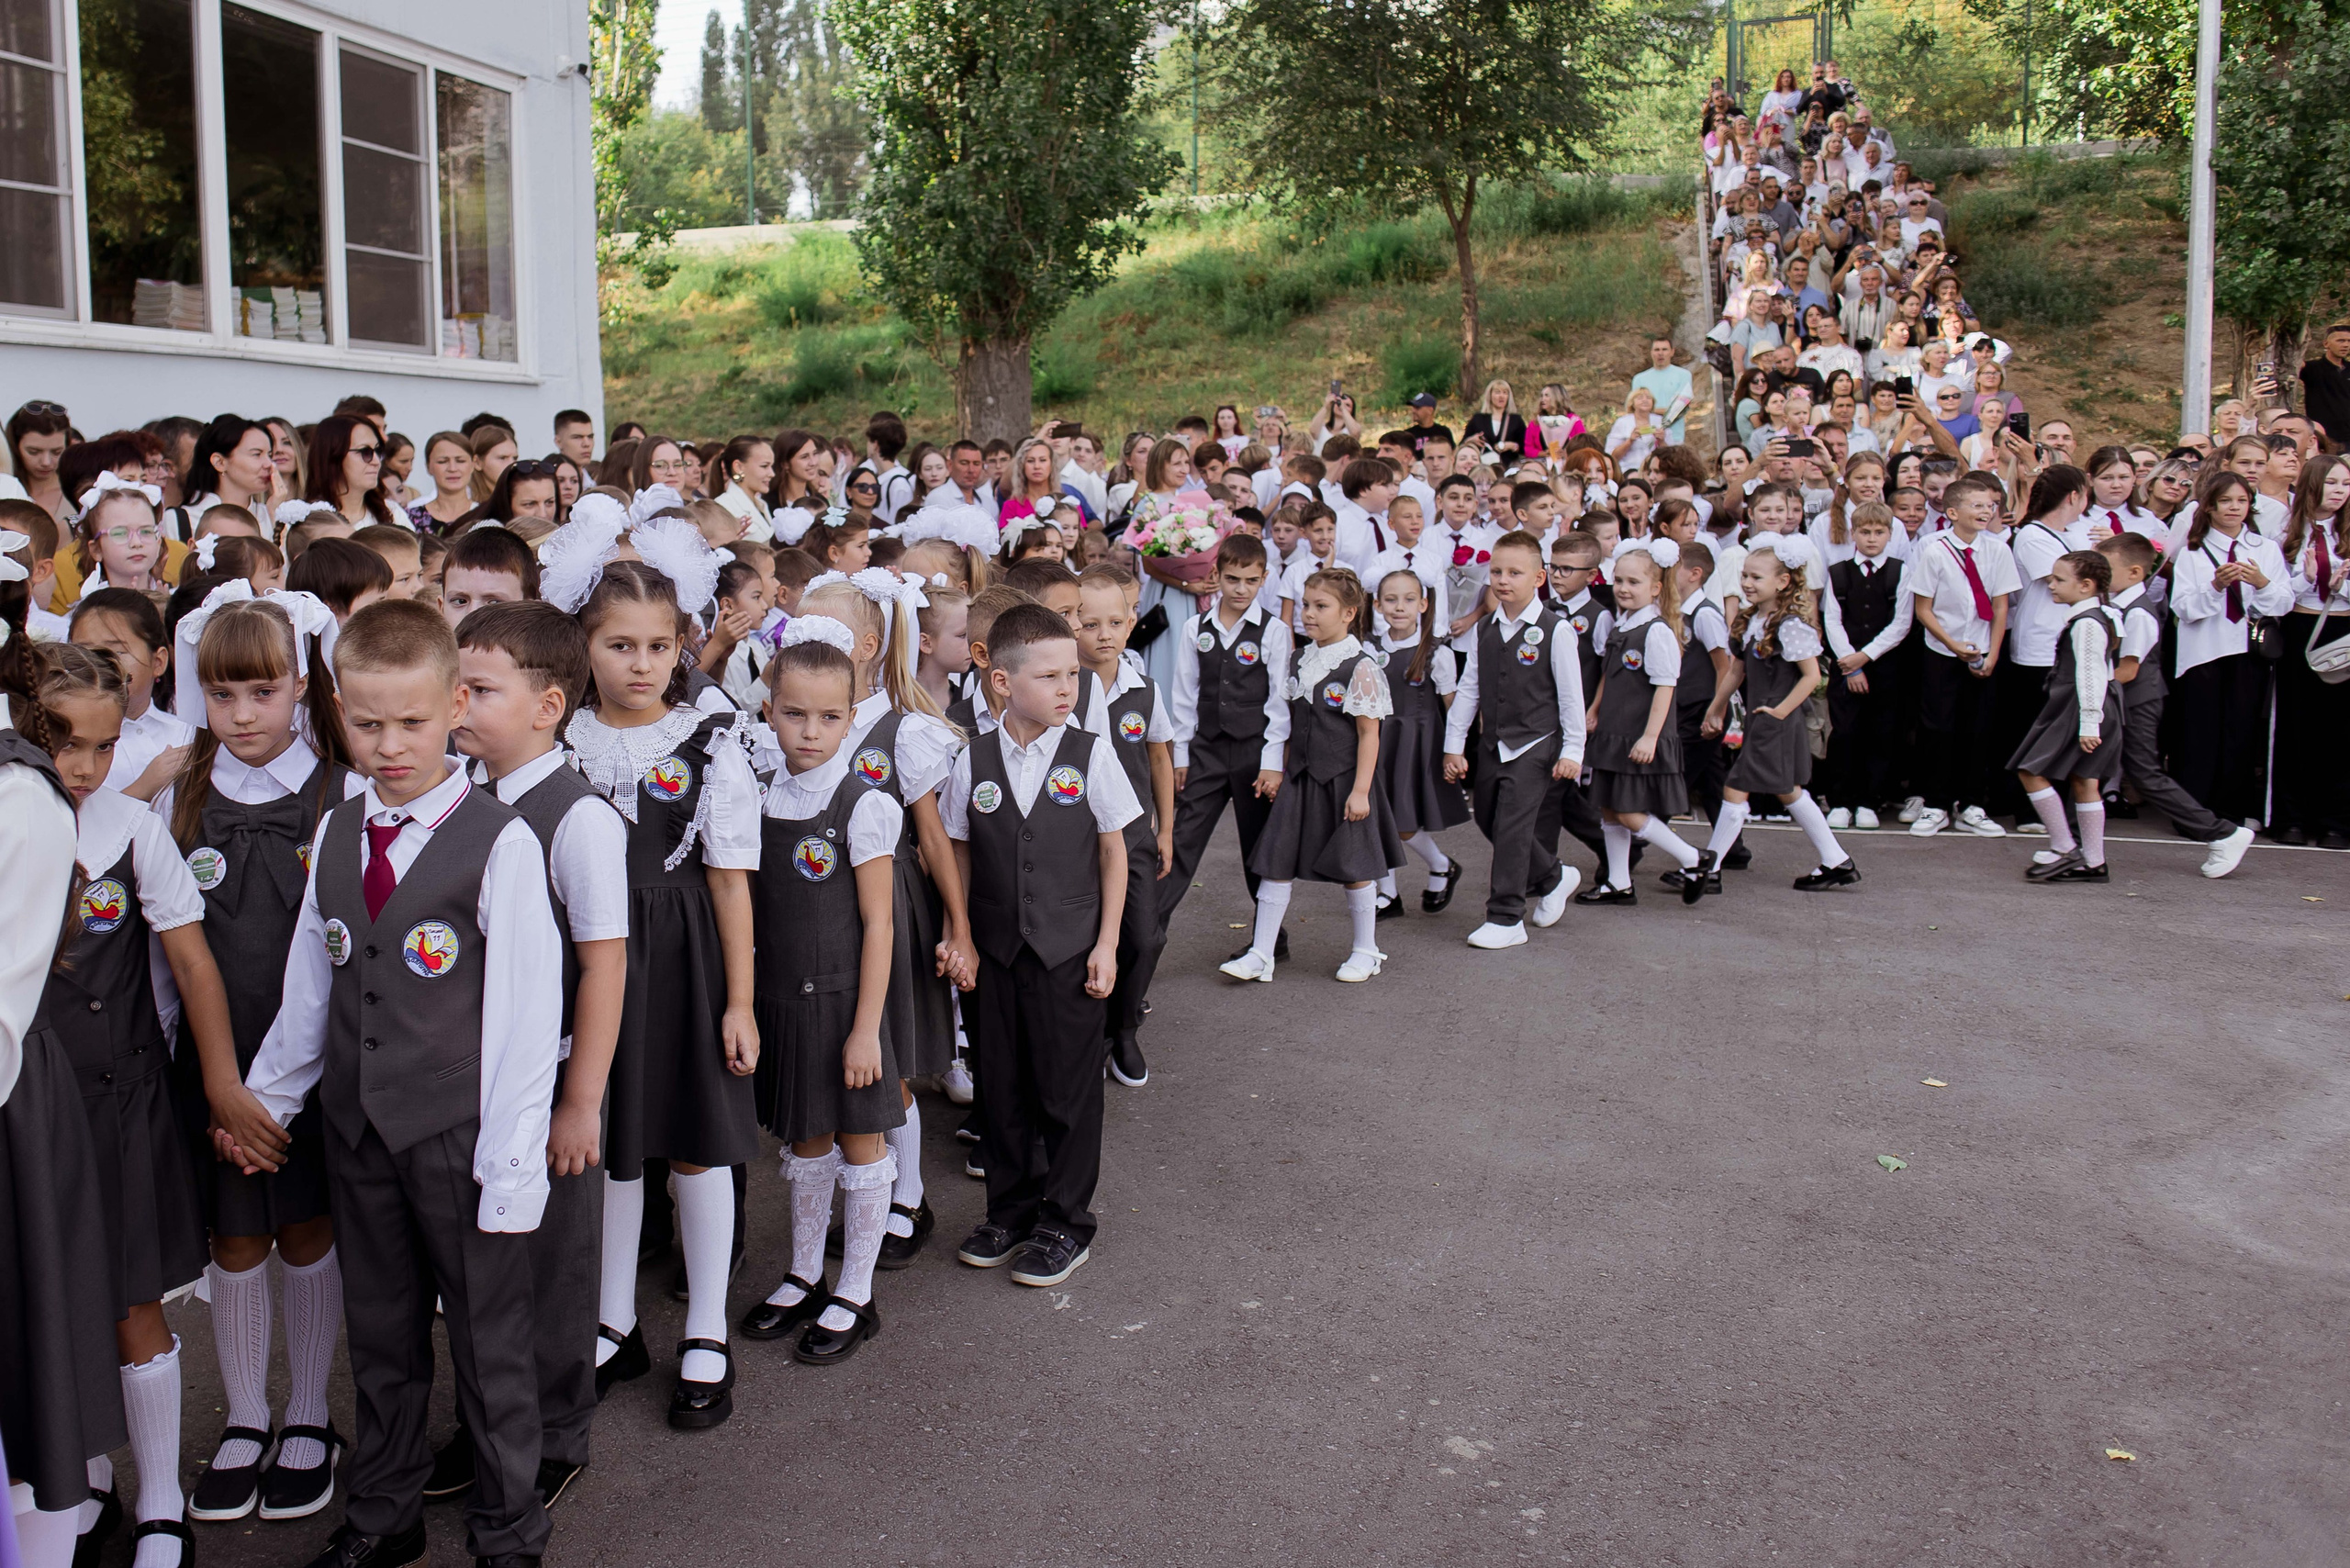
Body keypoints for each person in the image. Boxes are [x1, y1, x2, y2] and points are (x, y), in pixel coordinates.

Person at [214, 599, 562, 1568]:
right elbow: (313, 980)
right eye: (367, 723)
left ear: (455, 706)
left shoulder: (500, 841)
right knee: (379, 1332)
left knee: (489, 1341)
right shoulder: (336, 830)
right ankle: (385, 1511)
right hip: (358, 1132)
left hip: (459, 1133)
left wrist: (512, 1159)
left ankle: (508, 1528)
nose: (390, 744)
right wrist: (270, 1098)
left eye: (412, 721)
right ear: (337, 712)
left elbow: (528, 1015)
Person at [543, 529, 762, 1432]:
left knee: (693, 1139)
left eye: (659, 645)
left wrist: (740, 999)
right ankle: (614, 1321)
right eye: (619, 644)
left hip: (681, 959)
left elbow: (729, 878)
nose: (641, 664)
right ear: (583, 643)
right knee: (609, 1139)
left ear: (683, 645)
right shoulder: (558, 738)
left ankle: (706, 1324)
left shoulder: (708, 738)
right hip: (583, 959)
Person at [151, 590, 357, 1534]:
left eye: (263, 692)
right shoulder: (178, 790)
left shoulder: (341, 790)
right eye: (222, 693)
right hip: (214, 1069)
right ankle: (245, 1417)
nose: (241, 714)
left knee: (307, 1230)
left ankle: (309, 1414)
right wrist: (214, 1086)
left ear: (302, 686)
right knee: (234, 1241)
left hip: (312, 1070)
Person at [32, 642, 236, 1568]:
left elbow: (192, 962)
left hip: (121, 1099)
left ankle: (160, 1502)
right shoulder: (12, 824)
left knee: (131, 1302)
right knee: (44, 1299)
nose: (84, 765)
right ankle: (72, 1482)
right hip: (29, 1108)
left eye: (104, 745)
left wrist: (221, 1083)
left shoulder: (130, 829)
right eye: (63, 742)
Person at [423, 602, 629, 1509]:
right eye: (455, 686)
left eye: (479, 689)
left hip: (548, 1081)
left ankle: (554, 1432)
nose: (457, 704)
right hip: (463, 1075)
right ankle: (489, 1425)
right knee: (479, 1269)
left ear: (548, 707)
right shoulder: (455, 794)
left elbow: (604, 963)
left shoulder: (577, 817)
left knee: (549, 1267)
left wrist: (579, 1102)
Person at [944, 601, 1137, 1286]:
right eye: (1050, 676)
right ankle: (1010, 1210)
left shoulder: (1090, 753)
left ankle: (1066, 1222)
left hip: (1069, 952)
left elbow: (1114, 851)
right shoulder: (974, 758)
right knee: (1002, 1088)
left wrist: (1107, 944)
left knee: (1066, 1092)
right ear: (1002, 681)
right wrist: (959, 934)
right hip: (995, 954)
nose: (1067, 688)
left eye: (1072, 675)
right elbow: (959, 850)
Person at [738, 620, 905, 1363]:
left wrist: (867, 1029)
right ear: (769, 710)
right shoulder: (761, 796)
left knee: (860, 1141)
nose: (810, 731)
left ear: (852, 714)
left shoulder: (861, 804)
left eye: (830, 716)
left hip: (844, 1004)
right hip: (782, 1000)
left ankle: (856, 1292)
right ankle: (805, 1273)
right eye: (795, 713)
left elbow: (879, 925)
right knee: (805, 1139)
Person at [794, 573, 968, 1264]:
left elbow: (933, 839)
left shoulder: (902, 731)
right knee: (834, 1056)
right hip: (816, 907)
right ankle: (862, 1189)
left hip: (886, 904)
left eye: (827, 632)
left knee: (886, 1059)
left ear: (867, 647)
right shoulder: (793, 721)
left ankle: (907, 1197)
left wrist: (958, 925)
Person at [1219, 566, 1401, 984]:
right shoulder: (1301, 658)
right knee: (1276, 862)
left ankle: (1366, 950)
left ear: (1349, 613)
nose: (1308, 614)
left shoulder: (1360, 666)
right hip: (1300, 779)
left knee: (1355, 866)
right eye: (1305, 605)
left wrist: (1361, 791)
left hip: (1343, 781)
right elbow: (1289, 722)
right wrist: (1279, 768)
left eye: (1321, 606)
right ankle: (1261, 953)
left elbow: (1369, 734)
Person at [1440, 532, 1587, 949]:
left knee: (1512, 825)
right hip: (1494, 742)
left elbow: (1570, 696)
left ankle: (1506, 918)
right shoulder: (1485, 628)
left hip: (1536, 742)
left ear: (1539, 577)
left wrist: (1573, 750)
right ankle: (1554, 876)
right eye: (1497, 572)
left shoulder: (1556, 630)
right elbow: (1470, 688)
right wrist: (1454, 744)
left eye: (1515, 573)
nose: (1503, 580)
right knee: (1488, 818)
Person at [1697, 535, 1859, 890]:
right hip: (1763, 718)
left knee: (1735, 786)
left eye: (1756, 577)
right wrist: (1715, 707)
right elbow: (1736, 671)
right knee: (1789, 791)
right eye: (1745, 575)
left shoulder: (1791, 625)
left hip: (1776, 720)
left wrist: (1779, 712)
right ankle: (1836, 861)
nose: (1747, 583)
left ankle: (1708, 868)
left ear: (1783, 581)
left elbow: (1811, 676)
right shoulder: (1752, 620)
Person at [2093, 533, 2255, 878]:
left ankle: (2223, 833)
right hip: (2122, 698)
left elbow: (2129, 670)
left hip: (2137, 701)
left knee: (2144, 773)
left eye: (2106, 568)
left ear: (2135, 572)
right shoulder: (2119, 604)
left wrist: (2089, 689)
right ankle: (2074, 843)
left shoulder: (2138, 613)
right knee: (2086, 765)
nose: (2100, 574)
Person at [1069, 567, 1169, 1082]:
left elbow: (1159, 758)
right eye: (1090, 624)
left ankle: (1125, 1028)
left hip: (1132, 835)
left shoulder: (1144, 689)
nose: (1103, 635)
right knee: (1081, 938)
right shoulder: (1061, 689)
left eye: (1115, 622)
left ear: (1132, 623)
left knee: (1144, 937)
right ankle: (1087, 1032)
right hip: (1076, 836)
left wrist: (1166, 829)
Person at [1162, 534, 1292, 931]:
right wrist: (1181, 755)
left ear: (1264, 579)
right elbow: (1184, 695)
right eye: (1233, 579)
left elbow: (1279, 704)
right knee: (1183, 839)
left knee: (1257, 847)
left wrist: (1272, 763)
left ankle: (1270, 937)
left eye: (1251, 581)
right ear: (1216, 575)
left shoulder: (1274, 631)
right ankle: (1146, 931)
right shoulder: (1195, 627)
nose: (1241, 589)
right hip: (1207, 751)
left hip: (1254, 754)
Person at [1575, 542, 1706, 904]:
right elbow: (1610, 672)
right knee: (1608, 808)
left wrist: (1650, 737)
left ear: (1656, 587)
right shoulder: (1622, 623)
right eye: (1618, 580)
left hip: (1637, 734)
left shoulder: (1657, 630)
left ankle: (1693, 858)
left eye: (1633, 582)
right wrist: (1595, 708)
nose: (1623, 588)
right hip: (1613, 731)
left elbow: (1665, 687)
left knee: (1628, 811)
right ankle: (1618, 883)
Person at [2169, 473, 2291, 825]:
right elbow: (2183, 608)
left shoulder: (2264, 548)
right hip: (2204, 653)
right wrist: (2215, 587)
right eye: (2225, 501)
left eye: (2241, 501)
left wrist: (2261, 583)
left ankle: (2232, 811)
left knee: (2241, 731)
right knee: (2199, 732)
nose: (2234, 508)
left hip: (2247, 652)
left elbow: (2283, 603)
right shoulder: (2193, 552)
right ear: (2210, 506)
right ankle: (2193, 812)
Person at [1906, 475, 2021, 838]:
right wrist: (1953, 644)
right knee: (1938, 728)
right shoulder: (1934, 549)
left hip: (1983, 648)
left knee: (1978, 728)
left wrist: (1993, 654)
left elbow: (2001, 607)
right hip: (1942, 651)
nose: (1986, 511)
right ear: (1952, 512)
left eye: (1990, 505)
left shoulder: (1998, 550)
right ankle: (1936, 804)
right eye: (1977, 505)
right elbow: (1923, 609)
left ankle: (1971, 804)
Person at [2008, 550, 2123, 883]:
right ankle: (2093, 861)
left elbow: (2091, 673)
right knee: (2084, 779)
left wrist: (2089, 723)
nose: (2051, 585)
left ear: (2086, 585)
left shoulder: (2086, 624)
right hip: (2092, 706)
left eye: (2059, 580)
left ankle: (2064, 848)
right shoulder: (2101, 614)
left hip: (2079, 707)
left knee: (2030, 771)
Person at [1368, 568, 1465, 913]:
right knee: (1377, 817)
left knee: (1402, 821)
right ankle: (1388, 893)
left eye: (1409, 600)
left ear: (1423, 604)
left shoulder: (1437, 652)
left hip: (1416, 743)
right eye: (1391, 600)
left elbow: (1453, 704)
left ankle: (1441, 864)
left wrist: (1455, 749)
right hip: (1378, 741)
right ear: (1377, 605)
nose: (1399, 607)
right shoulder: (1369, 648)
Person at [1818, 505, 1912, 827]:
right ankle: (1841, 801)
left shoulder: (1900, 572)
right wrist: (1851, 664)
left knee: (1880, 733)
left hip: (1885, 667)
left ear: (1890, 535)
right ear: (1854, 534)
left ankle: (1869, 801)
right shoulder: (1838, 572)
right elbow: (1832, 620)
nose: (1872, 539)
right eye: (1865, 532)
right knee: (1845, 732)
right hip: (1846, 667)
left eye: (1879, 532)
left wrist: (1866, 657)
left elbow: (1901, 623)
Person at [2274, 455, 2350, 845]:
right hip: (2300, 626)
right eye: (2332, 483)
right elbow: (2273, 593)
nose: (2340, 492)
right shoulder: (2286, 528)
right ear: (2313, 484)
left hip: (2344, 628)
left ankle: (2336, 820)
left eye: (2346, 484)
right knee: (2295, 723)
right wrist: (2306, 579)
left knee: (2340, 728)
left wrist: (2340, 585)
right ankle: (2292, 817)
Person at [70, 589, 192, 801]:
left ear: (158, 662)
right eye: (85, 652)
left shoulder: (186, 734)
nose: (100, 663)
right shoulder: (60, 741)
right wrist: (143, 788)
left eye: (117, 652)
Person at [1630, 339, 1695, 446]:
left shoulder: (1684, 375)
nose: (1660, 353)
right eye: (1657, 350)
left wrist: (1649, 410)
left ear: (1672, 352)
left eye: (1664, 349)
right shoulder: (1639, 379)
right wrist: (1665, 411)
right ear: (1651, 352)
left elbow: (1680, 408)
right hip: (1646, 436)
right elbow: (1635, 408)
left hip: (1674, 436)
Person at [409, 432, 477, 532]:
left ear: (473, 464)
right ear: (428, 466)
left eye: (460, 461)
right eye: (442, 461)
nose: (452, 469)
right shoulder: (409, 518)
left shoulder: (487, 517)